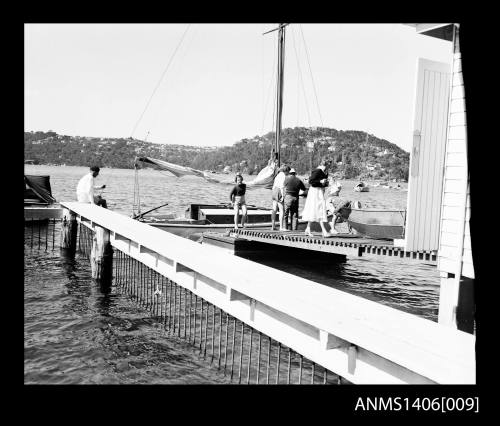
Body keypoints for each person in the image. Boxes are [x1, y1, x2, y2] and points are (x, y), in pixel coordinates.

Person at [301, 157, 336, 237]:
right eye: (330, 164)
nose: (330, 166)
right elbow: (311, 181)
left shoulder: (325, 172)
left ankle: (308, 229)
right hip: (314, 192)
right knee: (318, 209)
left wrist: (326, 183)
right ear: (327, 164)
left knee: (316, 209)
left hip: (320, 191)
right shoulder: (318, 171)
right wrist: (320, 181)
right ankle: (324, 231)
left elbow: (323, 183)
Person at [271, 164, 291, 231]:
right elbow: (282, 187)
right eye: (288, 171)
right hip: (279, 191)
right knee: (282, 210)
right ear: (286, 170)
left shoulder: (278, 175)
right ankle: (281, 227)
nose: (288, 173)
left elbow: (274, 185)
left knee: (274, 209)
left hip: (274, 190)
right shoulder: (283, 176)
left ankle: (273, 226)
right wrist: (282, 196)